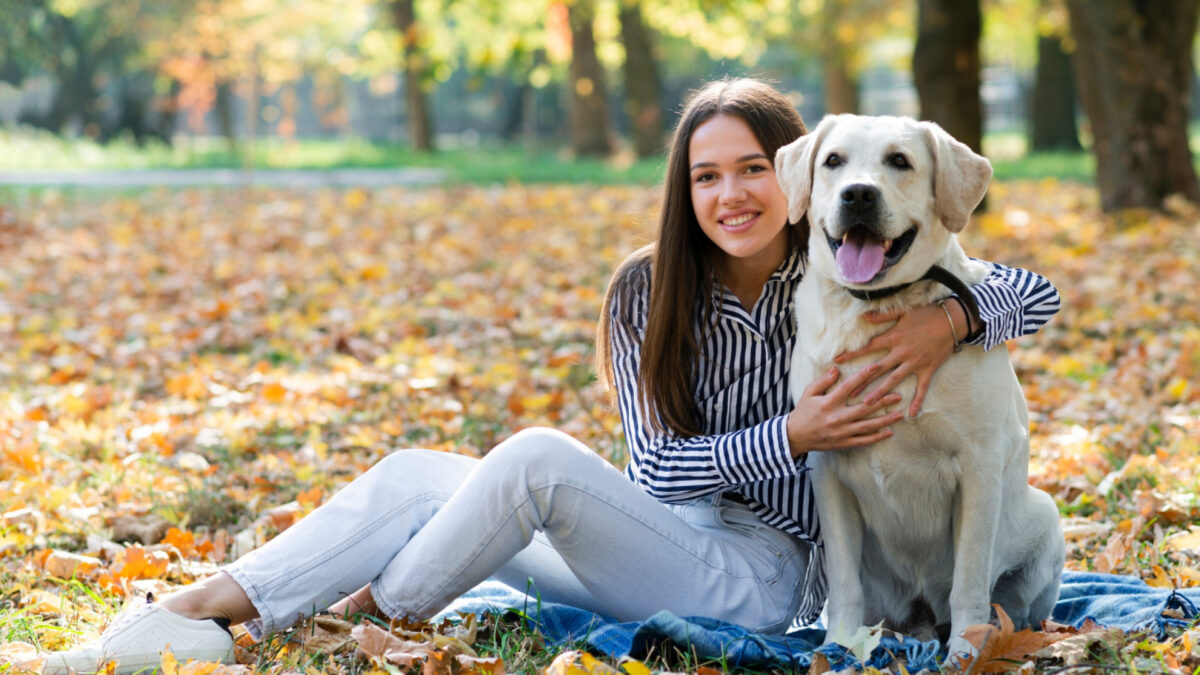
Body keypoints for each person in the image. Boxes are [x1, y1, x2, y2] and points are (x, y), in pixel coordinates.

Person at [47, 78, 1060, 675]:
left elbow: (1036, 292)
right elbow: (660, 475)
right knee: (410, 474)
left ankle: (328, 619)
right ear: (688, 190)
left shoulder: (851, 269)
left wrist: (954, 319)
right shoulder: (647, 292)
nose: (734, 193)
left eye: (753, 168)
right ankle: (189, 618)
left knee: (530, 458)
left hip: (775, 577)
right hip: (666, 535)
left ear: (786, 178)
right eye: (708, 176)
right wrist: (796, 433)